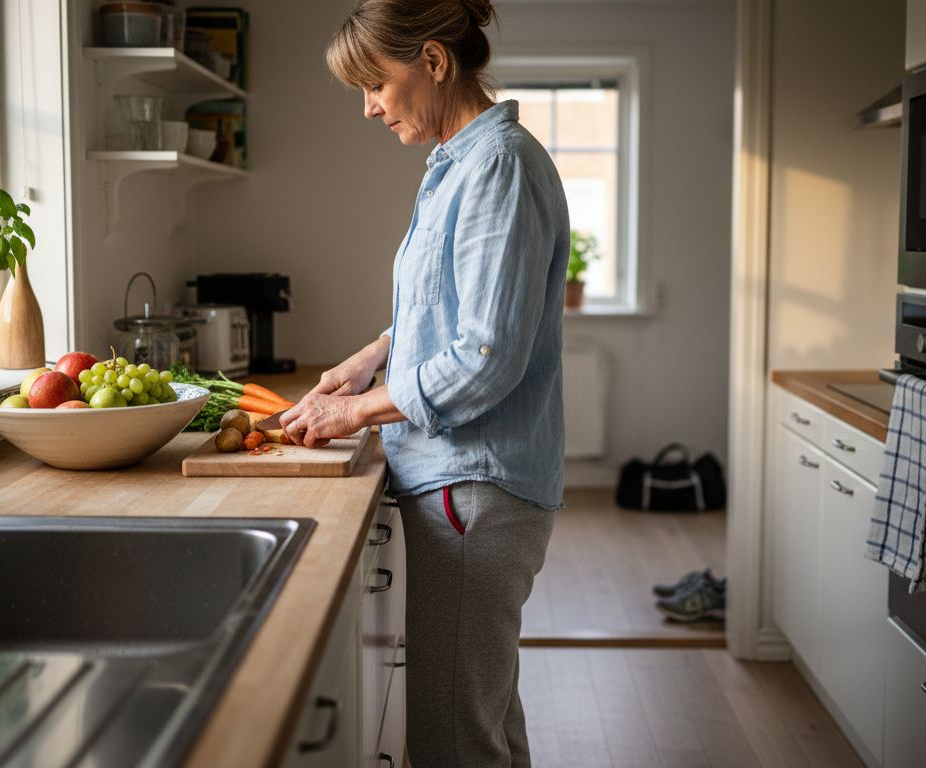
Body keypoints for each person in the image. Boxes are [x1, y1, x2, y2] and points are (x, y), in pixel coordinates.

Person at [279, 1, 569, 765]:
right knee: (485, 721)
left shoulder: (496, 166)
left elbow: (482, 356)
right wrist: (373, 355)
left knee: (451, 739)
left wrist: (356, 415)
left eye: (375, 85)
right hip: (463, 482)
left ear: (434, 63)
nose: (369, 107)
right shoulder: (460, 165)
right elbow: (458, 309)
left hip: (471, 486)